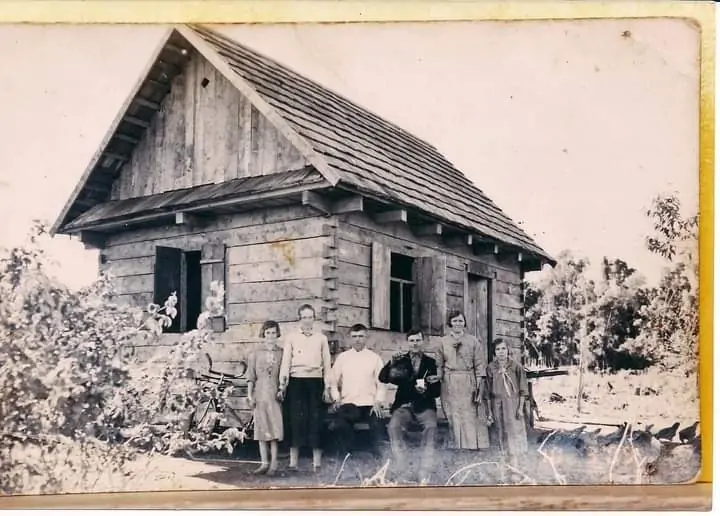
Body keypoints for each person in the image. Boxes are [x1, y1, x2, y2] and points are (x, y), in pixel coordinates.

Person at [378, 328, 441, 484]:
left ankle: (424, 470)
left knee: (431, 426)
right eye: (412, 340)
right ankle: (402, 467)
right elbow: (383, 378)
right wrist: (391, 362)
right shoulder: (400, 360)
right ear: (407, 342)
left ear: (423, 341)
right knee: (393, 427)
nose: (415, 343)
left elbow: (437, 391)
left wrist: (426, 390)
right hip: (404, 405)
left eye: (418, 340)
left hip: (424, 405)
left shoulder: (431, 363)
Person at [278, 304, 333, 472]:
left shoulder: (321, 338)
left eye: (310, 317)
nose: (307, 321)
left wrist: (327, 386)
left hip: (316, 382)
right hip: (296, 382)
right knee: (296, 421)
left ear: (314, 319)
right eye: (304, 317)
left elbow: (327, 364)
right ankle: (293, 462)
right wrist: (282, 385)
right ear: (299, 319)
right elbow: (286, 361)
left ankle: (316, 463)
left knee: (315, 420)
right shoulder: (292, 338)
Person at [329, 323, 386, 458]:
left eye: (361, 336)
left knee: (377, 421)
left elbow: (382, 383)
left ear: (366, 338)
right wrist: (336, 398)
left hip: (369, 404)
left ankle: (378, 454)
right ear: (350, 338)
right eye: (354, 336)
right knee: (341, 423)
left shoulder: (374, 358)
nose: (357, 339)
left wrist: (378, 402)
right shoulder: (343, 358)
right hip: (349, 403)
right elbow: (332, 382)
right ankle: (345, 455)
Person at [437, 310, 490, 450]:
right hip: (450, 382)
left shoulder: (473, 341)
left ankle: (472, 445)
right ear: (450, 323)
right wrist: (440, 378)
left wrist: (479, 385)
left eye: (460, 321)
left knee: (469, 413)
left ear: (465, 323)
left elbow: (479, 364)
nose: (458, 324)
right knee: (453, 412)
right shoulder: (443, 341)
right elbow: (439, 364)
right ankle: (455, 445)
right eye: (455, 321)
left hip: (468, 380)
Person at [246, 320, 285, 476]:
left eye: (273, 333)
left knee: (274, 430)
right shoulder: (255, 353)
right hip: (260, 394)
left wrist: (282, 389)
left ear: (277, 334)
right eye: (268, 333)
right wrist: (250, 395)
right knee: (262, 430)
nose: (270, 336)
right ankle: (264, 463)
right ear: (263, 334)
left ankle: (274, 465)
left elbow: (284, 375)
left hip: (275, 394)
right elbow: (251, 376)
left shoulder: (281, 353)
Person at [485, 338, 529, 468]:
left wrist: (520, 408)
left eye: (503, 348)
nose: (501, 352)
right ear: (494, 352)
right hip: (496, 403)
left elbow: (523, 390)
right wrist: (489, 412)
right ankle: (502, 463)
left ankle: (515, 464)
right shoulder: (490, 368)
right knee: (499, 430)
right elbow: (487, 392)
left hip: (513, 403)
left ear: (508, 350)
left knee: (514, 431)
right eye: (498, 349)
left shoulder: (516, 367)